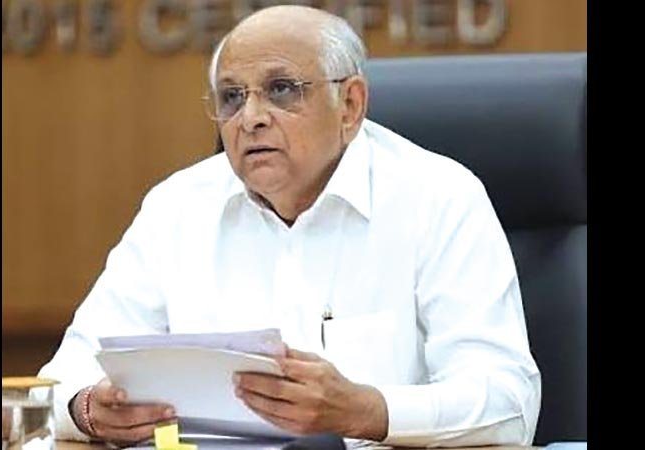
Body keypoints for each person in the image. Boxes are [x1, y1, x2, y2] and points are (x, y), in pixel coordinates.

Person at [38, 5, 541, 448]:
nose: (250, 118)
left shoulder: (439, 197)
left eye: (281, 90)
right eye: (232, 98)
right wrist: (88, 409)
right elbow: (61, 381)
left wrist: (366, 410)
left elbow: (508, 401)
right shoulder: (177, 207)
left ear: (350, 105)